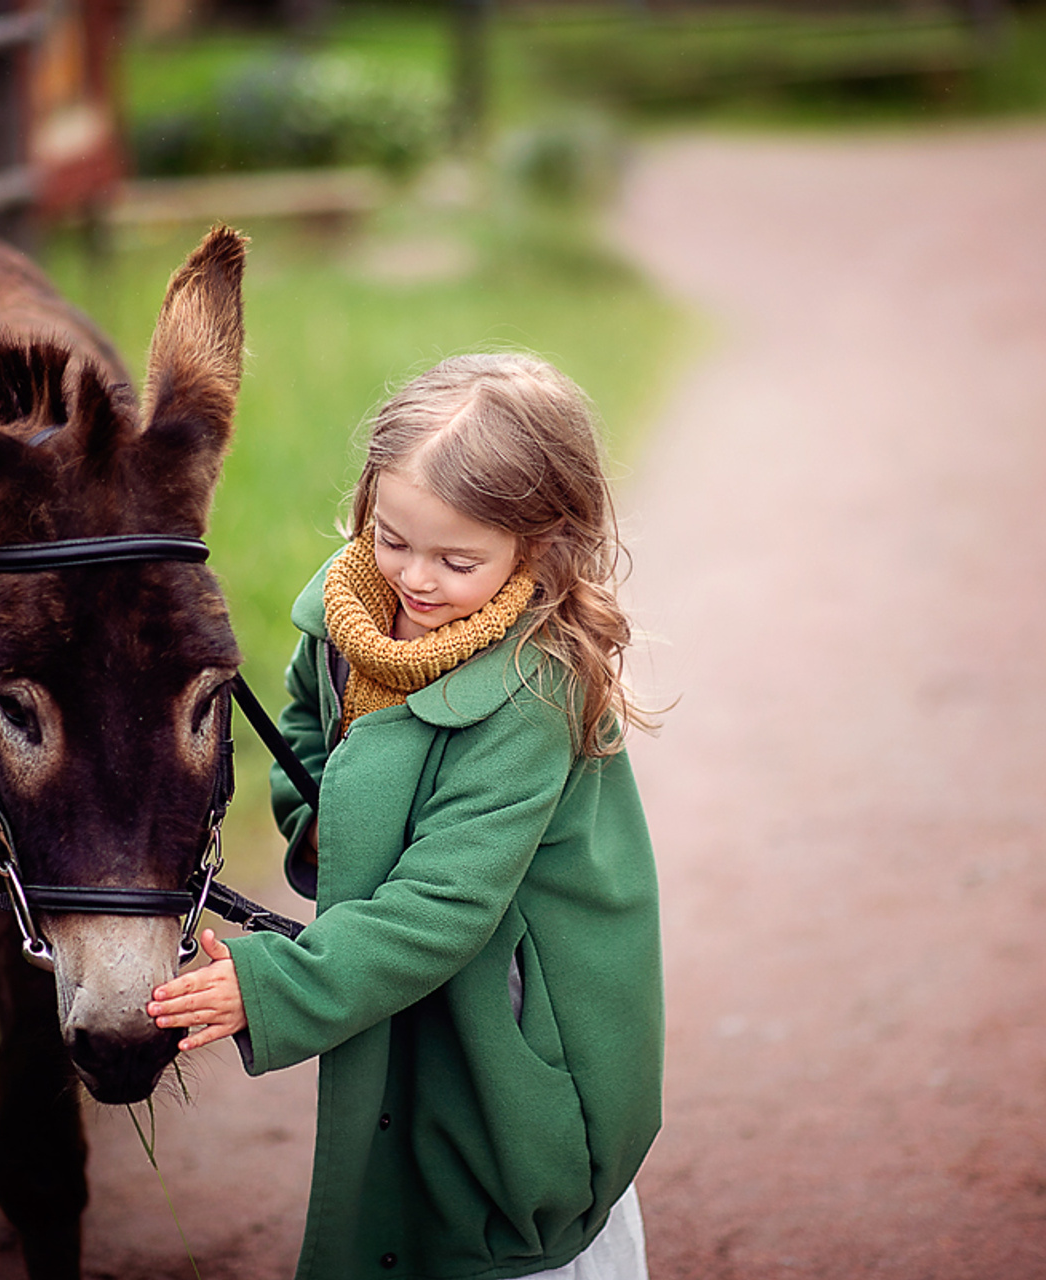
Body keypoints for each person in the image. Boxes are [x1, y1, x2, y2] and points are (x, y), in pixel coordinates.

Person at [148, 353, 665, 1280]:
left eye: (458, 560)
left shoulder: (530, 692)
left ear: (538, 546)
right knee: (402, 1174)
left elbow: (443, 908)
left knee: (490, 1190)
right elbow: (308, 731)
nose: (416, 581)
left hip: (510, 1006)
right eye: (393, 540)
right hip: (396, 971)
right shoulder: (349, 617)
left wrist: (276, 986)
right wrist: (318, 830)